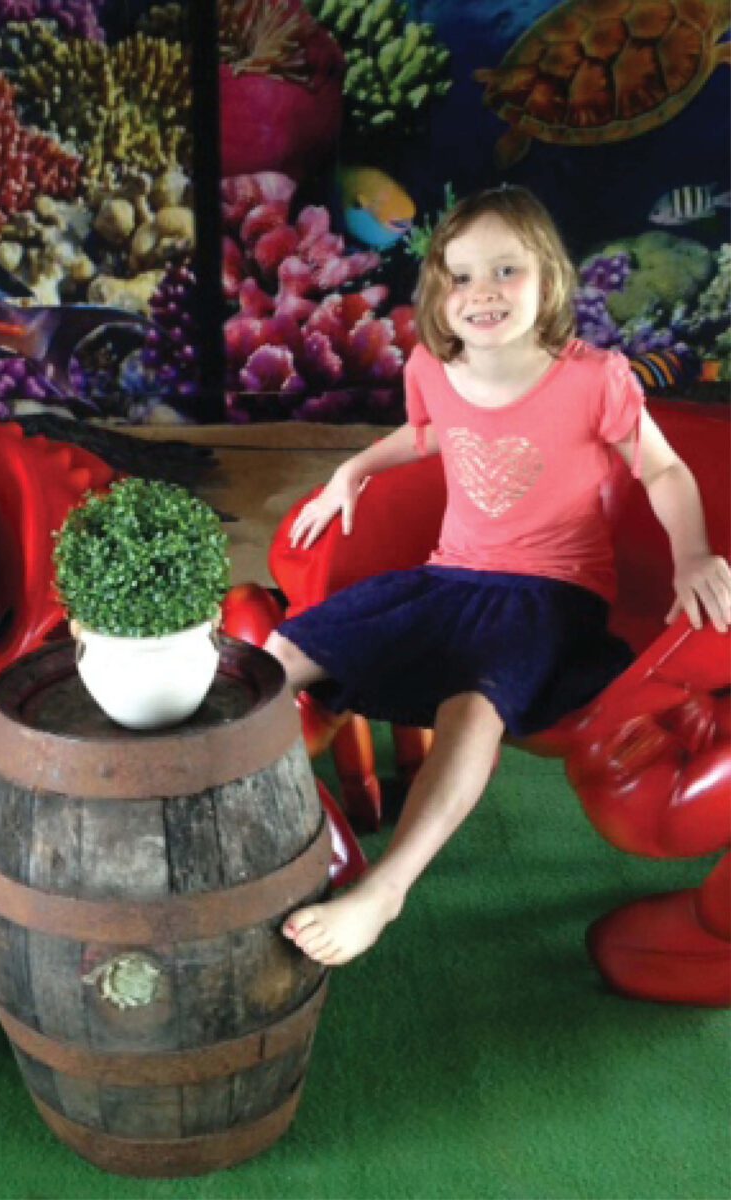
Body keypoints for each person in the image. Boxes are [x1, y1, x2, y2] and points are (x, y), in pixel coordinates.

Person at [265, 186, 731, 969]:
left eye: (506, 270)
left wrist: (692, 554)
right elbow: (424, 436)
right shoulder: (431, 366)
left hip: (552, 595)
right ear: (438, 291)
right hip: (448, 579)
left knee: (475, 706)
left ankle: (385, 890)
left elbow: (663, 470)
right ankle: (217, 810)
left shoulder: (594, 378)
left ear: (548, 277)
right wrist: (351, 471)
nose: (482, 291)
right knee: (281, 652)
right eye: (462, 276)